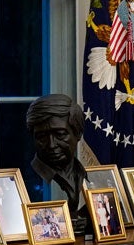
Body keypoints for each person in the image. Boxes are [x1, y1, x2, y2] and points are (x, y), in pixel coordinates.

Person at [25, 95, 92, 234]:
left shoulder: (88, 177)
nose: (51, 145)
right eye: (42, 137)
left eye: (60, 134)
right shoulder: (26, 182)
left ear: (78, 133)